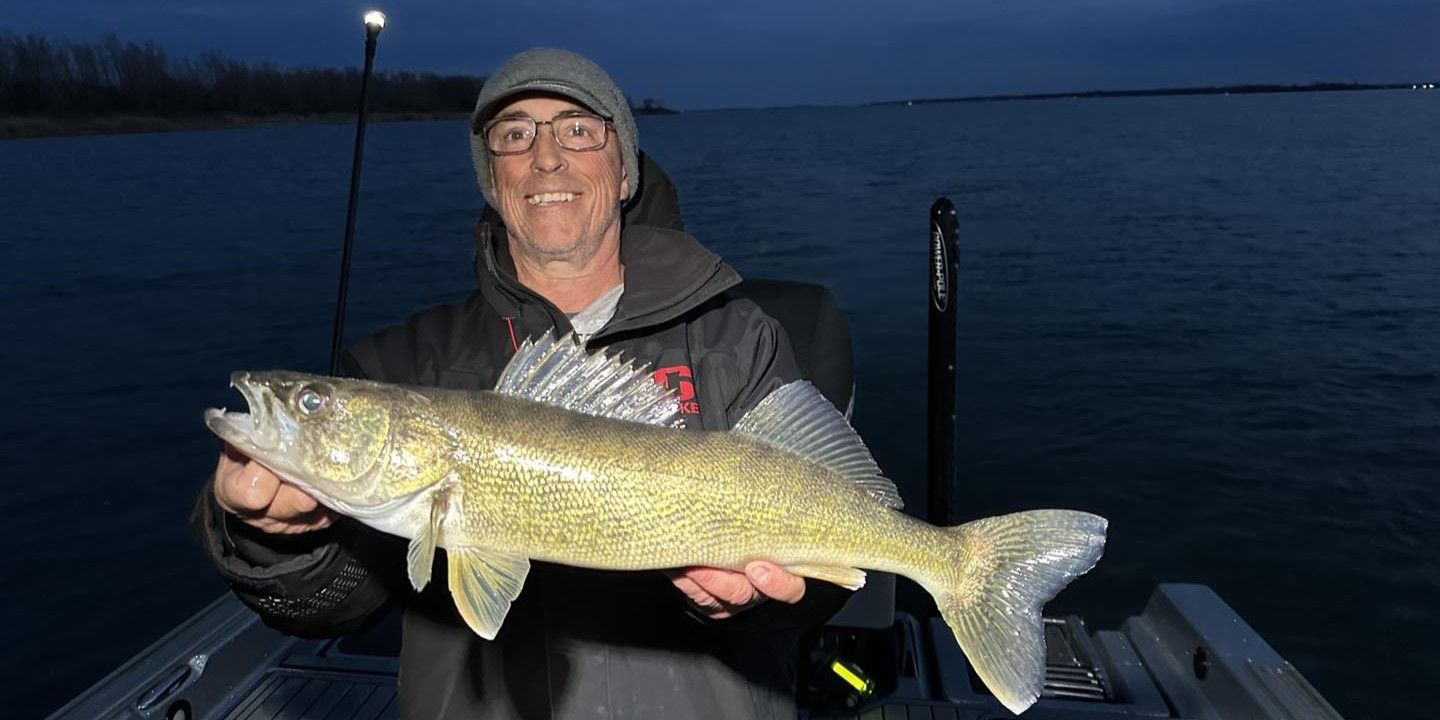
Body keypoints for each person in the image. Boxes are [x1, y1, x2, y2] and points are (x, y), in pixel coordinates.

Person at [194, 47, 849, 719]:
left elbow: (829, 584)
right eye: (514, 136)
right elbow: (330, 606)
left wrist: (759, 601)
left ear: (624, 170)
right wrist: (273, 540)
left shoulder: (736, 339)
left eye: (577, 128)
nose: (546, 157)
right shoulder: (402, 363)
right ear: (492, 179)